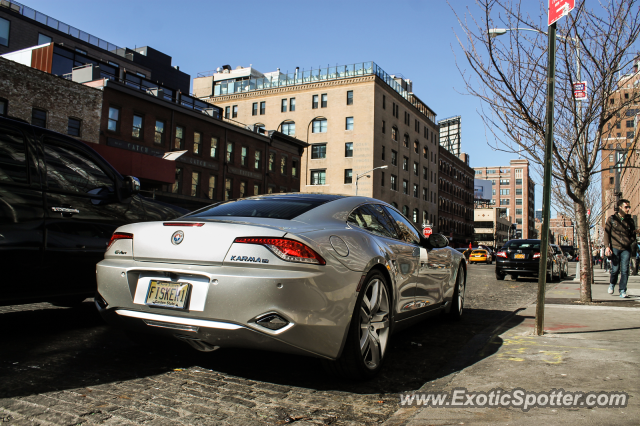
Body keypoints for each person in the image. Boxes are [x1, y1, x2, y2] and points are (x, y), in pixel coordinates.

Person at [604, 199, 640, 298]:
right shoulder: (612, 219)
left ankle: (622, 290)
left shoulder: (630, 220)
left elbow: (632, 234)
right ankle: (612, 284)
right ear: (620, 207)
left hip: (626, 248)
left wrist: (630, 241)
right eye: (626, 207)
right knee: (615, 269)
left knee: (625, 270)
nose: (628, 209)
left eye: (629, 207)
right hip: (615, 248)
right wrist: (607, 247)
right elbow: (606, 233)